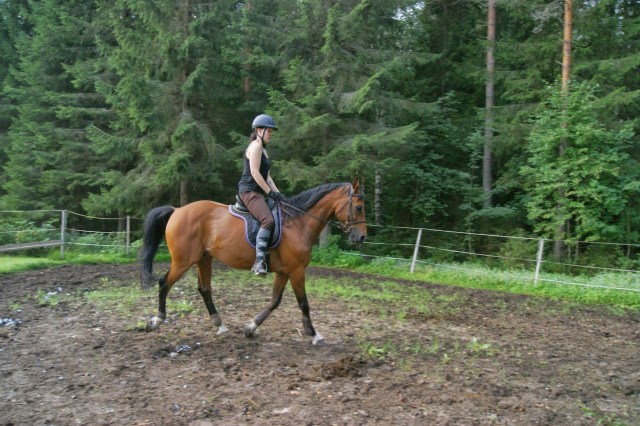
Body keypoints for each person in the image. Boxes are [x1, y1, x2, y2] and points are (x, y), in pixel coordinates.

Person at [238, 114, 286, 275]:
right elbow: (254, 172)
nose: (271, 134)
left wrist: (279, 195)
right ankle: (259, 261)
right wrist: (270, 193)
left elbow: (268, 177)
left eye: (271, 131)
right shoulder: (256, 147)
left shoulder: (263, 150)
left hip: (257, 193)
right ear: (259, 130)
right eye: (269, 131)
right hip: (249, 191)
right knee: (268, 220)